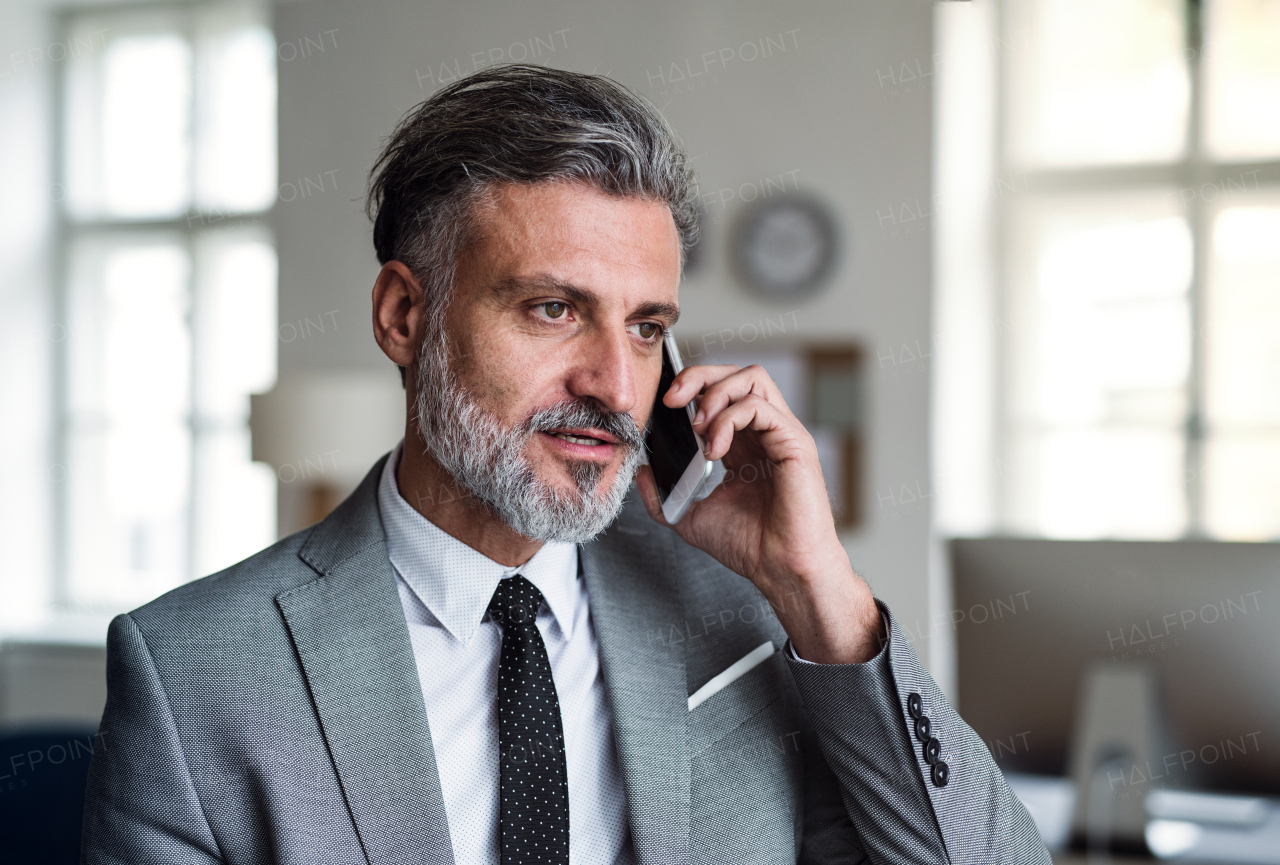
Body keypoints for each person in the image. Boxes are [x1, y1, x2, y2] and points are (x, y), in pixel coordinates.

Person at [82, 64, 1049, 864]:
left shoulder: (747, 619)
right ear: (404, 317)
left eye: (646, 328)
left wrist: (819, 589)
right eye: (553, 308)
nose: (613, 383)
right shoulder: (192, 678)